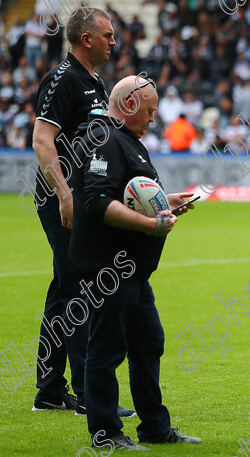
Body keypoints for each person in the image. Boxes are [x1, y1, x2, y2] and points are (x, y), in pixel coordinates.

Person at [68, 75, 201, 450]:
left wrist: (167, 202)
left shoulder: (128, 143)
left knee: (148, 344)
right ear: (128, 104)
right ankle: (106, 434)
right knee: (107, 350)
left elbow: (130, 196)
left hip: (133, 271)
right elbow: (97, 202)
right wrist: (152, 225)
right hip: (107, 269)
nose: (154, 118)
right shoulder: (104, 139)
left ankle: (155, 429)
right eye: (149, 110)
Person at [30, 7, 133, 416]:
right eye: (107, 35)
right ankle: (90, 395)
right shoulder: (62, 79)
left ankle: (50, 390)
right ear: (85, 38)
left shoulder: (93, 81)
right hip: (62, 198)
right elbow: (42, 140)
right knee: (79, 290)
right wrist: (65, 194)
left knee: (64, 288)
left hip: (83, 196)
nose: (113, 41)